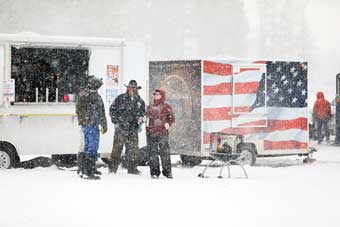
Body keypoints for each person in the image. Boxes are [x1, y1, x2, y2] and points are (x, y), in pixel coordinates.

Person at [109, 80, 146, 174]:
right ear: (127, 88)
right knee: (117, 149)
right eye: (130, 87)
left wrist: (140, 121)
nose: (132, 89)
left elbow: (143, 114)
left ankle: (132, 169)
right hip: (121, 128)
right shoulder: (120, 98)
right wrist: (116, 122)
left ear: (136, 89)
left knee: (133, 150)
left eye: (134, 87)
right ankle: (113, 169)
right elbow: (112, 110)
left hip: (133, 129)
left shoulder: (140, 101)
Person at [76, 75, 107, 179]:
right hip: (91, 125)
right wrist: (103, 124)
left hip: (86, 124)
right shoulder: (93, 96)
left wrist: (83, 121)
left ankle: (83, 169)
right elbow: (100, 111)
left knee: (87, 146)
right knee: (92, 147)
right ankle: (88, 171)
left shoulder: (83, 94)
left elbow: (79, 110)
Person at [146, 89, 175, 179]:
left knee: (165, 153)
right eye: (154, 94)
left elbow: (172, 118)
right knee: (153, 153)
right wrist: (146, 122)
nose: (155, 95)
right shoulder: (150, 107)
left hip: (162, 133)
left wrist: (168, 124)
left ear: (162, 96)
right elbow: (147, 117)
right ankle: (154, 172)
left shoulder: (167, 107)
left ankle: (167, 172)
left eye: (157, 94)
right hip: (151, 133)